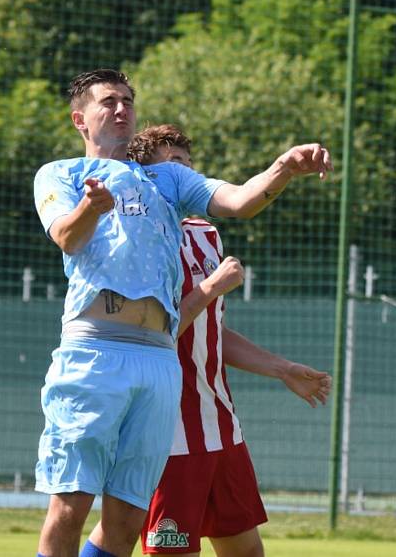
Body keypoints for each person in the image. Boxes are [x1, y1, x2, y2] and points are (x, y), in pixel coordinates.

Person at [33, 69, 332, 557]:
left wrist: (282, 168)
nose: (122, 108)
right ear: (80, 119)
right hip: (95, 352)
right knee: (69, 507)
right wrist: (92, 207)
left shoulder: (167, 179)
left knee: (128, 521)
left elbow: (238, 201)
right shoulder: (60, 173)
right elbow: (67, 236)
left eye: (128, 100)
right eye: (108, 101)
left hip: (157, 362)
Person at [127, 124, 332, 557]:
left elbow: (211, 331)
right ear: (144, 175)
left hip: (221, 428)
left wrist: (282, 369)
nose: (181, 173)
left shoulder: (206, 234)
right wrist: (211, 288)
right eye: (169, 165)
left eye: (186, 163)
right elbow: (154, 334)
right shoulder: (140, 240)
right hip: (171, 433)